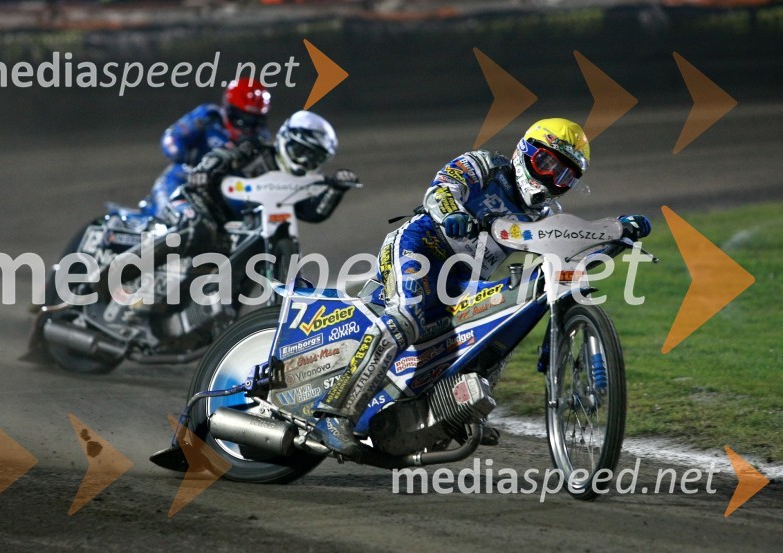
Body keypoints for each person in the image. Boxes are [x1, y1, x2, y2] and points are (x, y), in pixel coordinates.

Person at [312, 118, 651, 458]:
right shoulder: (484, 165)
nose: (550, 178)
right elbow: (441, 189)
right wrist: (451, 214)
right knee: (407, 317)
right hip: (421, 247)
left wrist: (617, 231)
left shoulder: (548, 213)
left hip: (464, 278)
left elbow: (571, 244)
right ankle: (334, 413)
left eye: (564, 176)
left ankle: (454, 407)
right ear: (525, 152)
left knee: (502, 321)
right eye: (546, 164)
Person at [166, 110, 357, 259]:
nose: (304, 161)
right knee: (197, 229)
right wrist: (205, 170)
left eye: (314, 159)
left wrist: (336, 189)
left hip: (235, 235)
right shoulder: (254, 148)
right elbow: (222, 154)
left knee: (253, 264)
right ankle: (138, 262)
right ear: (286, 139)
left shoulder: (298, 184)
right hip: (205, 206)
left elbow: (312, 213)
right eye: (301, 151)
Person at [142, 78, 272, 217]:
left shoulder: (260, 139)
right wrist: (184, 159)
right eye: (241, 118)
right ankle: (168, 217)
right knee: (176, 175)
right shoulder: (208, 117)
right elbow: (172, 138)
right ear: (228, 109)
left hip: (229, 189)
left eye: (253, 121)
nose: (247, 126)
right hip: (191, 178)